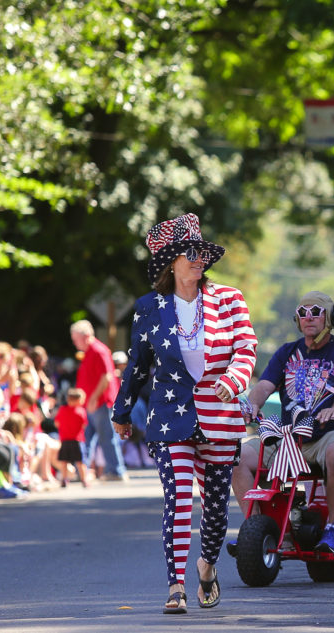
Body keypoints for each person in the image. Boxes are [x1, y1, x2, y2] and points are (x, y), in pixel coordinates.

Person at [111, 213, 258, 614]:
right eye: (189, 253)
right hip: (170, 417)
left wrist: (234, 377)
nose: (198, 259)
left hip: (221, 416)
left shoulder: (230, 299)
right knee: (177, 500)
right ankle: (175, 586)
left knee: (213, 505)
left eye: (201, 253)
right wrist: (121, 412)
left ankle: (206, 567)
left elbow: (246, 349)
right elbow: (137, 365)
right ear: (171, 262)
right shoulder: (149, 307)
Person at [231, 291, 334, 556]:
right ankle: (256, 527)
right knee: (237, 457)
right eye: (303, 313)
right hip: (289, 437)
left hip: (330, 434)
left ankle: (333, 529)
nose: (308, 318)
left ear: (330, 317)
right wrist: (252, 404)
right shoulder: (287, 352)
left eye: (316, 312)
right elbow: (264, 386)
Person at [70, 319, 125, 481]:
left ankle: (116, 471)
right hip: (92, 403)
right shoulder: (90, 352)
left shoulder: (98, 350)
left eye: (75, 339)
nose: (74, 343)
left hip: (100, 402)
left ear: (85, 336)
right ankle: (82, 471)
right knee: (86, 437)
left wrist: (93, 398)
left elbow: (106, 377)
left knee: (106, 437)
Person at [56, 388, 90, 487]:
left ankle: (64, 479)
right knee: (80, 461)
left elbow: (57, 423)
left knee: (64, 461)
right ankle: (84, 480)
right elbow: (84, 425)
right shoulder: (81, 411)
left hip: (65, 439)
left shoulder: (62, 410)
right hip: (77, 440)